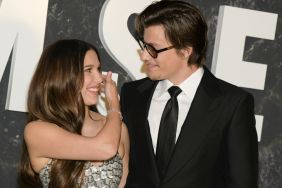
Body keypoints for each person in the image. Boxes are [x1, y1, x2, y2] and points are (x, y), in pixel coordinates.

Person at [120, 1, 258, 187]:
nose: (144, 55)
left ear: (185, 50)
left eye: (153, 48)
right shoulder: (132, 95)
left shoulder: (232, 103)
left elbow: (242, 182)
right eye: (143, 45)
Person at [19, 39, 129, 188]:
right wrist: (114, 105)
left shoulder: (118, 128)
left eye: (98, 69)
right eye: (88, 70)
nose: (99, 79)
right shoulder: (37, 131)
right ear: (62, 75)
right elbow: (105, 149)